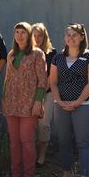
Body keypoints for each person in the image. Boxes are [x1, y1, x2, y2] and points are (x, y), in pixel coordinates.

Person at [49, 23, 89, 177]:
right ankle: (67, 174)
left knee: (83, 142)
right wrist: (60, 101)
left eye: (75, 35)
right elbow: (53, 82)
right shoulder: (58, 58)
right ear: (65, 38)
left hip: (84, 105)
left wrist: (77, 102)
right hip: (60, 105)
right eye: (68, 35)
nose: (71, 38)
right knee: (63, 141)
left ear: (82, 37)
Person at [1, 22, 48, 177]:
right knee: (14, 142)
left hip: (29, 104)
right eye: (17, 32)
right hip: (12, 104)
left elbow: (43, 81)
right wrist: (4, 99)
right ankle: (16, 176)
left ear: (29, 35)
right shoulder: (12, 53)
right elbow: (7, 80)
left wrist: (38, 102)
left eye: (23, 32)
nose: (20, 35)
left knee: (26, 140)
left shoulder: (37, 54)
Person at [31, 22, 57, 166]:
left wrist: (39, 97)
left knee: (43, 125)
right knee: (31, 126)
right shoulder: (28, 52)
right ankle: (31, 155)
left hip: (47, 94)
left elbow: (51, 78)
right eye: (34, 35)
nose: (37, 38)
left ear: (44, 36)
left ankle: (42, 156)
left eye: (40, 35)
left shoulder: (52, 54)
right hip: (29, 95)